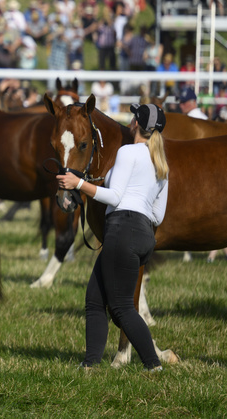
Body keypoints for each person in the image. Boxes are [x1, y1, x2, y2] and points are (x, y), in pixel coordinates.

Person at [55, 103, 170, 370]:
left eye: (133, 118)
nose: (129, 121)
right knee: (94, 299)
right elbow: (158, 216)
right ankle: (90, 364)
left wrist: (78, 184)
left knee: (121, 308)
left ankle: (153, 365)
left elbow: (116, 197)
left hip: (122, 231)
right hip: (142, 235)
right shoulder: (162, 164)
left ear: (136, 125)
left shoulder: (128, 152)